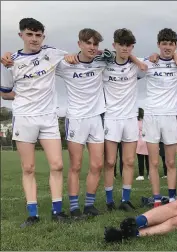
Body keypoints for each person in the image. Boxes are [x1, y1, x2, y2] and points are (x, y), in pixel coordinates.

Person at [0, 18, 69, 227]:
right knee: (28, 168)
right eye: (30, 34)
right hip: (24, 118)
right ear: (21, 35)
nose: (34, 39)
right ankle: (33, 214)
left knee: (57, 165)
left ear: (43, 37)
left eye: (38, 35)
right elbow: (5, 94)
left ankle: (58, 212)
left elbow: (77, 58)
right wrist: (24, 96)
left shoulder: (52, 53)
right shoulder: (10, 62)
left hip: (48, 117)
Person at [56, 28, 109, 218]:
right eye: (88, 43)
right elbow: (45, 57)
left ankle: (89, 205)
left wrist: (100, 52)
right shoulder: (65, 64)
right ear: (79, 43)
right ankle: (74, 207)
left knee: (97, 165)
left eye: (95, 44)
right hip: (76, 119)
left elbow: (118, 53)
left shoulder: (102, 61)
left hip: (96, 119)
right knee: (76, 166)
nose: (92, 47)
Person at [94, 28, 142, 212]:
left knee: (129, 161)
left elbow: (148, 66)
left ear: (132, 47)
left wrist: (138, 58)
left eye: (128, 45)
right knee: (110, 162)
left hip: (130, 118)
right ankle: (109, 201)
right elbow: (87, 58)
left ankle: (125, 200)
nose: (125, 48)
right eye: (121, 45)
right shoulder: (104, 64)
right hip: (111, 118)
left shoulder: (135, 66)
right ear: (114, 45)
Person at [141, 28, 177, 206]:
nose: (167, 47)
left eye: (171, 44)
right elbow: (127, 61)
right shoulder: (149, 62)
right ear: (158, 45)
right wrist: (152, 55)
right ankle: (155, 199)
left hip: (170, 116)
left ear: (175, 45)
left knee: (170, 161)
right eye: (164, 44)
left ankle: (171, 197)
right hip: (151, 116)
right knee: (153, 162)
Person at [136, 108, 149, 180]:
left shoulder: (136, 122)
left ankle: (141, 175)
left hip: (140, 142)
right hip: (147, 142)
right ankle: (149, 174)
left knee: (140, 159)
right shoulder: (147, 121)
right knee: (148, 159)